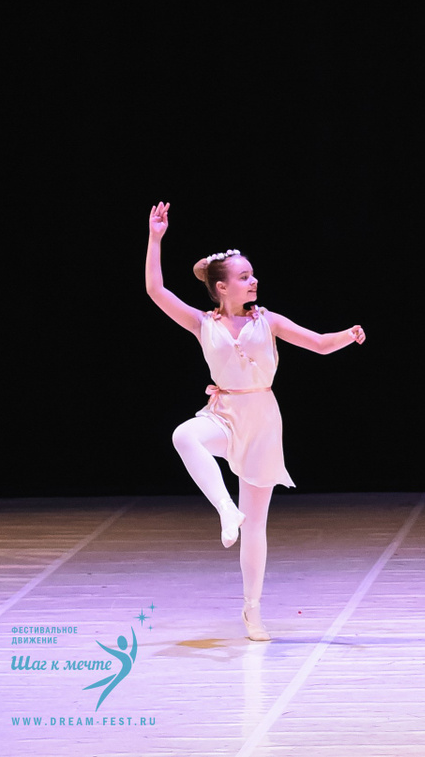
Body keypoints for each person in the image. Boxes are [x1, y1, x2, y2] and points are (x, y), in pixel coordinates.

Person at [143, 202, 366, 641]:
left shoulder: (268, 321)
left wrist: (347, 336)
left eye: (252, 275)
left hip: (262, 420)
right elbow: (156, 289)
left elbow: (320, 343)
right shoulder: (202, 323)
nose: (253, 280)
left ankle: (252, 611)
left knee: (257, 527)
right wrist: (155, 238)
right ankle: (226, 509)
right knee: (184, 435)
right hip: (224, 414)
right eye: (244, 277)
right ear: (222, 287)